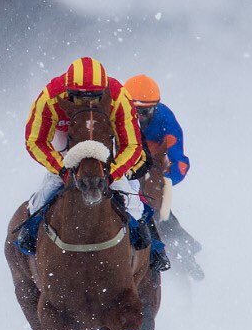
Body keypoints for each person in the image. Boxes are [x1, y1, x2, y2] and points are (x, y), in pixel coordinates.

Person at [18, 56, 169, 271]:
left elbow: (132, 145)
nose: (86, 102)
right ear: (67, 91)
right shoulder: (50, 97)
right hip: (66, 148)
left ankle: (152, 247)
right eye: (78, 97)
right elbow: (35, 141)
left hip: (105, 150)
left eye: (95, 97)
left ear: (104, 92)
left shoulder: (117, 96)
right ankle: (30, 232)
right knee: (44, 194)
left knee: (133, 200)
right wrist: (62, 170)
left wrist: (112, 175)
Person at [126, 74, 200, 277]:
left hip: (153, 168)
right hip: (125, 166)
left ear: (156, 108)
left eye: (146, 111)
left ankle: (184, 250)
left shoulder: (166, 119)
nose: (140, 117)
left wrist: (167, 181)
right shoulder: (117, 114)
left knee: (159, 209)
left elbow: (181, 162)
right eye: (135, 111)